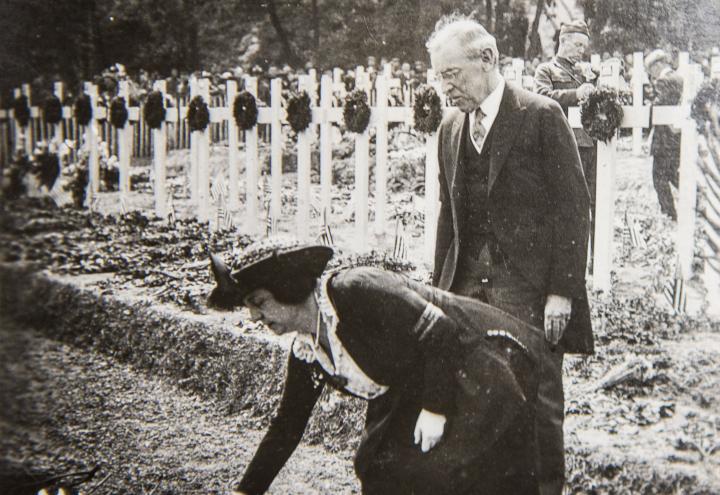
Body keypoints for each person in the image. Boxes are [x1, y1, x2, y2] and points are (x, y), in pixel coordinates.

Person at [207, 237, 547, 495]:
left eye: (259, 302)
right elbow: (287, 426)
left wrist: (435, 409)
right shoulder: (308, 351)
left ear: (288, 287)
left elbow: (441, 330)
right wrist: (246, 490)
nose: (253, 315)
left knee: (449, 474)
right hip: (422, 383)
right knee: (377, 470)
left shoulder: (355, 290)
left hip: (479, 370)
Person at [426, 15, 594, 495]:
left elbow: (573, 208)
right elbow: (448, 219)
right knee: (472, 402)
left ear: (488, 59)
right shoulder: (449, 129)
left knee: (537, 406)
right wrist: (440, 293)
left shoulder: (540, 115)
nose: (443, 88)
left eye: (450, 74)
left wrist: (562, 292)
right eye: (438, 77)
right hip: (465, 287)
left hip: (529, 291)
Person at [534, 20, 597, 252]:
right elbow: (542, 98)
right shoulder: (546, 70)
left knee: (593, 202)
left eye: (584, 47)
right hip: (561, 145)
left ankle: (592, 258)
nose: (582, 51)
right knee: (565, 203)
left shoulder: (586, 72)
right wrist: (575, 94)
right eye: (578, 45)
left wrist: (597, 79)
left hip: (589, 144)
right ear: (564, 41)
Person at [645, 49, 684, 220]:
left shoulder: (663, 80)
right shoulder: (679, 78)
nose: (650, 73)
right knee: (672, 174)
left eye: (650, 68)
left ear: (658, 64)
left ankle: (669, 213)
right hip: (676, 137)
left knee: (659, 177)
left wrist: (649, 106)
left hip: (664, 138)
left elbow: (659, 107)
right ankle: (697, 198)